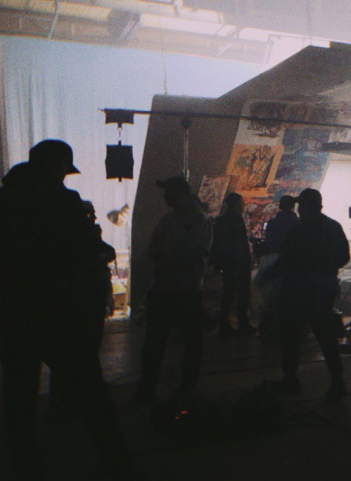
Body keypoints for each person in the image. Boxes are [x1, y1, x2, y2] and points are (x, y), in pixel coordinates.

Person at [0, 139, 133, 480]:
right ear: (59, 164)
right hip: (57, 311)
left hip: (13, 313)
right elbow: (86, 251)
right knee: (92, 393)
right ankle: (118, 464)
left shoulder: (5, 199)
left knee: (18, 397)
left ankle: (25, 466)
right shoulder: (63, 201)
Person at [132, 175, 213, 404]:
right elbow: (153, 247)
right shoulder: (170, 219)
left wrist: (165, 257)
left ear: (183, 194)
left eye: (170, 193)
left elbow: (195, 253)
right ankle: (157, 388)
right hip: (167, 288)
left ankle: (178, 388)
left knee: (174, 342)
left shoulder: (198, 221)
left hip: (184, 289)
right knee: (161, 342)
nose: (166, 197)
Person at [271, 188, 350, 400]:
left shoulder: (298, 231)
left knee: (291, 338)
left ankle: (290, 380)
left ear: (304, 209)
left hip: (297, 292)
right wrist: (325, 269)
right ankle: (337, 381)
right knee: (326, 337)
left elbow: (284, 260)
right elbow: (344, 257)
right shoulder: (333, 227)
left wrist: (268, 275)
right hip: (323, 290)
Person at [49, 200, 117, 414]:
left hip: (88, 298)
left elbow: (108, 251)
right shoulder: (72, 236)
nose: (93, 218)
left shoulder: (82, 234)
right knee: (76, 348)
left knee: (85, 346)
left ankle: (70, 395)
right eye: (89, 214)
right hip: (79, 299)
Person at [255, 195, 300, 345]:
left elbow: (268, 243)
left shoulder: (272, 223)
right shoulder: (297, 223)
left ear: (280, 206)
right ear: (293, 206)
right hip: (293, 264)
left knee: (272, 300)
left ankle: (269, 332)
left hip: (273, 262)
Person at [211, 192, 255, 335]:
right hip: (239, 263)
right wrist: (247, 260)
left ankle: (224, 324)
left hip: (227, 263)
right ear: (236, 204)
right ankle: (243, 323)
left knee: (228, 294)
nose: (243, 205)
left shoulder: (220, 220)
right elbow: (240, 243)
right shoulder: (237, 219)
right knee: (243, 294)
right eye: (241, 202)